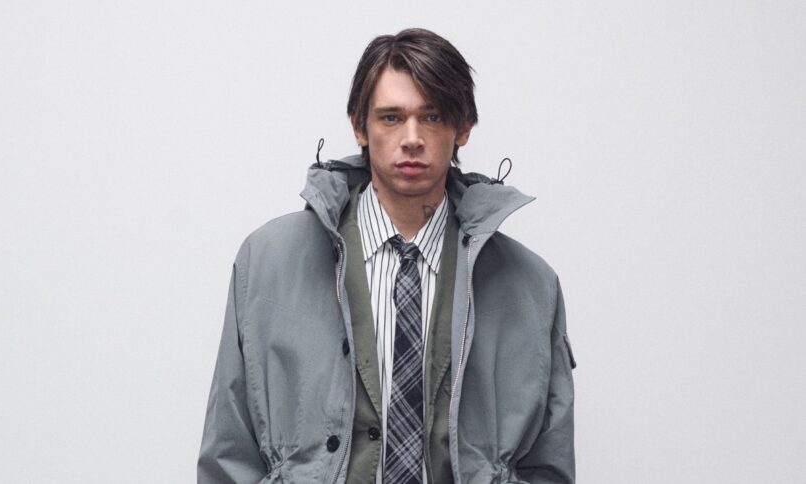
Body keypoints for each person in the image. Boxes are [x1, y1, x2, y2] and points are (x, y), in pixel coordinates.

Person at [198, 28, 576, 484]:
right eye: (392, 117)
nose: (412, 138)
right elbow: (228, 454)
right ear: (360, 126)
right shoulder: (267, 263)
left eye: (432, 116)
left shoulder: (530, 286)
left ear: (463, 128)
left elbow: (549, 466)